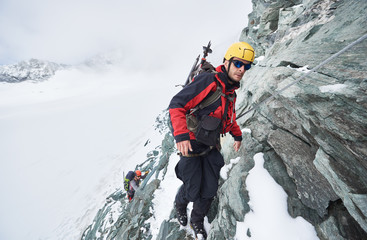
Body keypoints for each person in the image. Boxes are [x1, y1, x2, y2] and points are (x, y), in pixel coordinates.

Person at [168, 42, 255, 239]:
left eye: (246, 66)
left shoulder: (230, 92)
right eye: (238, 63)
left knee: (209, 191)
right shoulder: (209, 82)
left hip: (209, 146)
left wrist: (238, 135)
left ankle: (197, 221)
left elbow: (227, 120)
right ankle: (180, 204)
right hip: (190, 145)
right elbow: (177, 104)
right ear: (227, 62)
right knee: (192, 191)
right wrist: (181, 135)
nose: (242, 69)